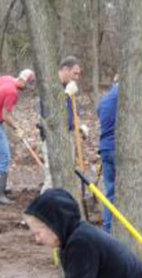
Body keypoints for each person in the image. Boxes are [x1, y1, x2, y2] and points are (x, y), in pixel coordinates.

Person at [97, 78, 142, 232]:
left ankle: (108, 229)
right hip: (120, 150)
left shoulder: (104, 99)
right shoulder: (128, 94)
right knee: (131, 189)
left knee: (111, 192)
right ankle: (131, 230)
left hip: (105, 149)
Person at [0, 68, 35, 205]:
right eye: (27, 86)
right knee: (4, 157)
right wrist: (17, 128)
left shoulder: (6, 78)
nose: (26, 89)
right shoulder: (13, 92)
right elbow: (6, 116)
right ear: (23, 81)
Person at [41, 56, 88, 192]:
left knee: (68, 176)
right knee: (53, 177)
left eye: (79, 74)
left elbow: (69, 113)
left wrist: (78, 128)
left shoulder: (67, 87)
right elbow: (52, 113)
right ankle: (42, 210)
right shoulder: (51, 85)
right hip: (53, 138)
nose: (77, 77)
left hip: (67, 135)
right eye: (75, 73)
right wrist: (66, 94)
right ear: (65, 69)